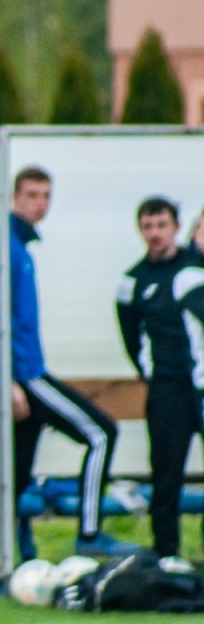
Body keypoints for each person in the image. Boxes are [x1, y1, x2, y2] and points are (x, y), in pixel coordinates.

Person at [5, 166, 135, 561]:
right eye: (31, 195)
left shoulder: (21, 248)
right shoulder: (7, 249)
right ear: (14, 197)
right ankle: (90, 534)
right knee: (102, 434)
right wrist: (10, 380)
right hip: (27, 375)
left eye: (46, 196)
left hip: (27, 372)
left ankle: (13, 554)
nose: (39, 204)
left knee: (17, 473)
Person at [116, 197, 204, 562]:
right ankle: (167, 555)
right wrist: (151, 373)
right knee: (166, 475)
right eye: (148, 226)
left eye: (161, 225)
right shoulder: (132, 281)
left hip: (200, 386)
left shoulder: (195, 270)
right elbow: (130, 337)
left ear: (176, 226)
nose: (155, 234)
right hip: (166, 389)